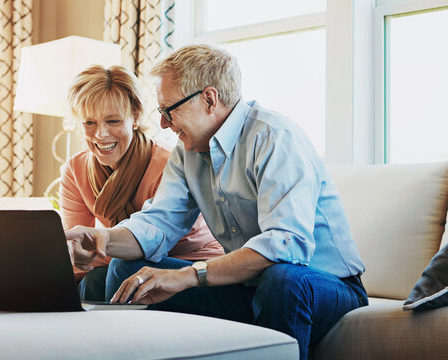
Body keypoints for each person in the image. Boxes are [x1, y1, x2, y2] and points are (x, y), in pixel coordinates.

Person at [65, 46, 368, 359]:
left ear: (209, 99)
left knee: (283, 279)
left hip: (325, 286)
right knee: (128, 269)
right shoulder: (187, 152)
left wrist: (187, 276)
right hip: (249, 288)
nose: (165, 124)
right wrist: (102, 239)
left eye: (169, 110)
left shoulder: (274, 137)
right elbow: (157, 223)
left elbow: (285, 245)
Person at [60, 64, 224, 302]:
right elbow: (80, 251)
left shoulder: (169, 165)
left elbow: (155, 243)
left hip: (188, 265)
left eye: (113, 121)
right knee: (88, 281)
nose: (101, 134)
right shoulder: (75, 171)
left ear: (135, 117)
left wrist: (96, 247)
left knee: (113, 272)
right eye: (89, 123)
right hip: (119, 259)